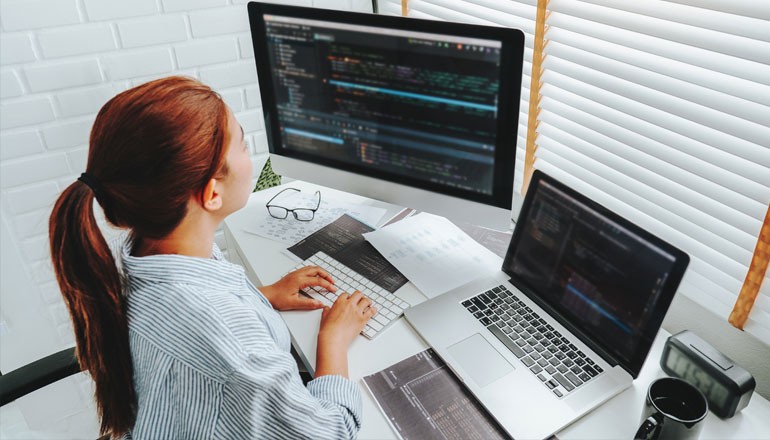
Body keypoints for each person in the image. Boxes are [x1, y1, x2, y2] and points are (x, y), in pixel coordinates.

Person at [48, 76, 376, 439]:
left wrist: (260, 297)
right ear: (212, 193)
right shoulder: (236, 352)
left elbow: (192, 326)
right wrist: (333, 340)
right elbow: (329, 433)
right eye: (243, 144)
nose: (250, 153)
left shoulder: (145, 255)